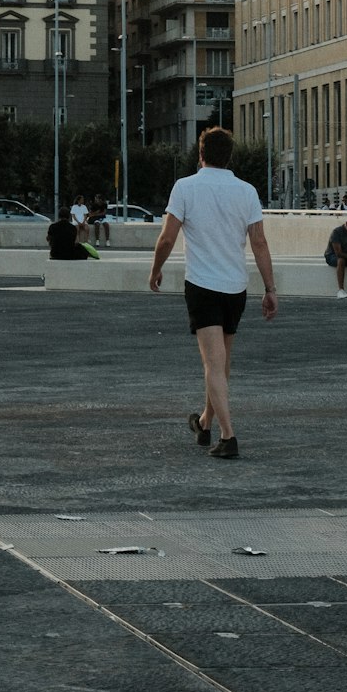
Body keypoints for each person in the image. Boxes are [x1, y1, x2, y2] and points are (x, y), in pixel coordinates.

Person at [149, 126, 278, 461]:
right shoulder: (246, 191)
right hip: (236, 287)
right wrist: (270, 288)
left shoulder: (185, 188)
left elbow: (167, 238)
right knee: (221, 363)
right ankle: (204, 423)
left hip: (203, 286)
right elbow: (259, 242)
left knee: (212, 363)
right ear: (230, 156)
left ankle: (228, 435)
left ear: (201, 154)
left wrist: (156, 269)